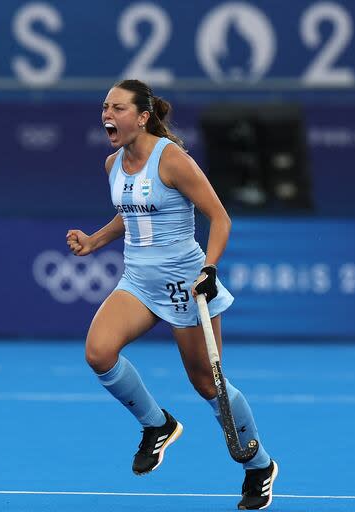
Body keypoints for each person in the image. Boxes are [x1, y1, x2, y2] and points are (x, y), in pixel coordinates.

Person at [66, 79, 277, 510]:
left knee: (206, 384)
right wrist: (94, 240)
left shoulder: (173, 160)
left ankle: (258, 465)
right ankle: (156, 425)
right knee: (98, 352)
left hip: (186, 284)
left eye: (118, 107)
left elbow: (220, 218)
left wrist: (208, 269)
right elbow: (130, 212)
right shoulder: (112, 165)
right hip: (139, 283)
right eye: (105, 107)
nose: (108, 114)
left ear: (142, 117)